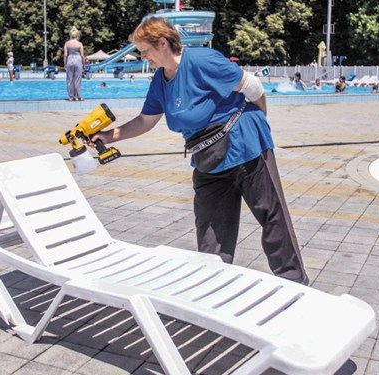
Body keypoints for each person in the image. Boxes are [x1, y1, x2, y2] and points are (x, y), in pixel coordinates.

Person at [90, 17, 308, 285]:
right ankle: (213, 285)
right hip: (209, 158)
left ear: (162, 43)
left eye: (145, 51)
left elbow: (253, 87)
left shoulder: (203, 60)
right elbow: (146, 120)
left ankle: (295, 282)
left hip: (246, 146)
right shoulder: (160, 80)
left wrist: (259, 120)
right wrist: (108, 136)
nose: (143, 57)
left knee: (271, 217)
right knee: (210, 230)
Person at [64, 26, 85, 101]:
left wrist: (65, 64)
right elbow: (82, 55)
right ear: (77, 35)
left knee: (69, 80)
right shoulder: (79, 44)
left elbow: (65, 54)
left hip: (70, 59)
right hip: (78, 60)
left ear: (70, 35)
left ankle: (71, 97)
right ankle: (78, 96)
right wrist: (83, 64)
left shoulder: (67, 43)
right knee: (77, 79)